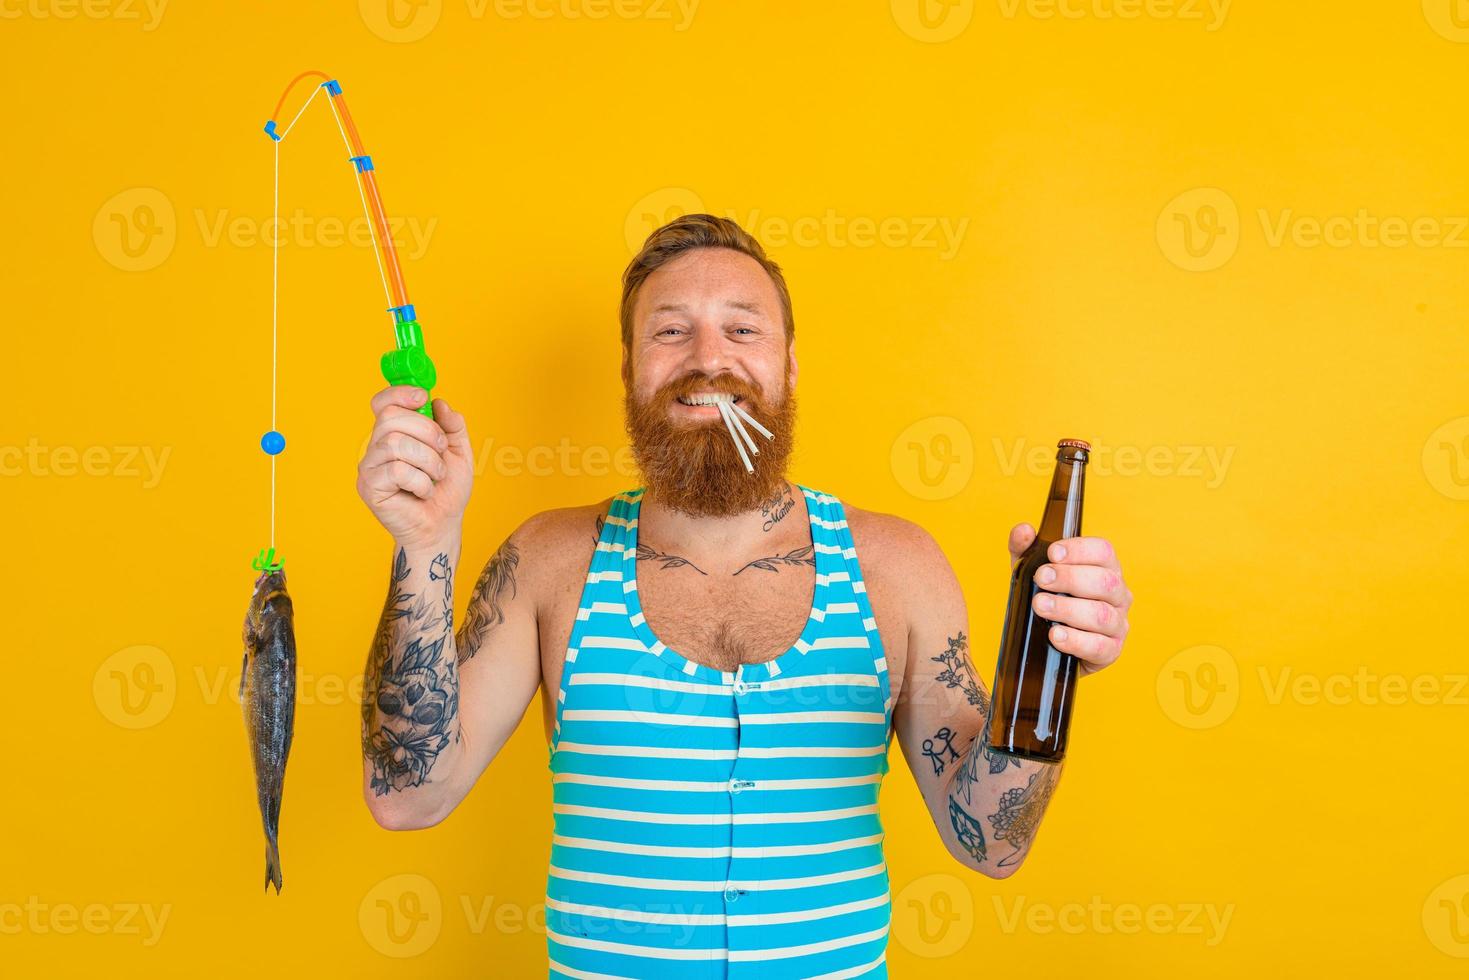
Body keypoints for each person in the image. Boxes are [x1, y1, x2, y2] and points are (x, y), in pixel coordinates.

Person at [355, 214, 1132, 978]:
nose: (708, 361)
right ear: (628, 370)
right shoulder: (549, 559)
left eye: (742, 330)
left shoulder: (895, 567)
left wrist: (1050, 669)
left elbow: (988, 843)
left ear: (789, 365)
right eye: (669, 332)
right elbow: (406, 797)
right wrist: (425, 546)